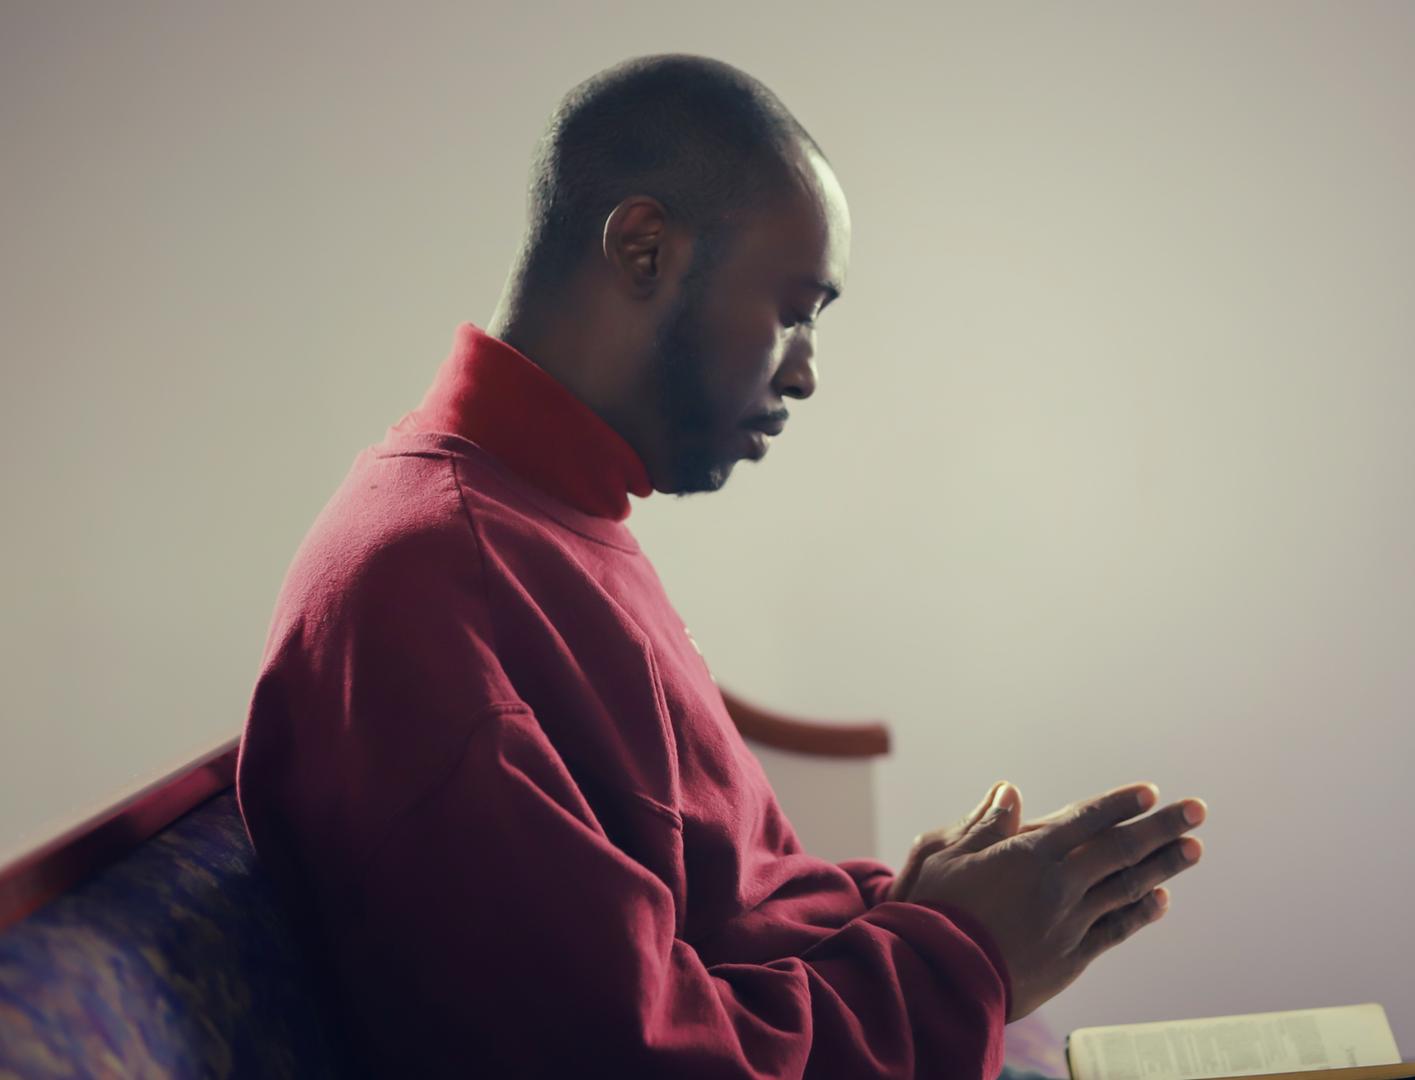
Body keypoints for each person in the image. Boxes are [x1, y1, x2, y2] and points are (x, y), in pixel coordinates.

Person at [237, 53, 1207, 1079]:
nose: (807, 371)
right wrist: (953, 957)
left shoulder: (544, 514)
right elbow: (626, 1056)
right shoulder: (434, 582)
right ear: (645, 248)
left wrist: (912, 906)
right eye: (794, 310)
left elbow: (721, 907)